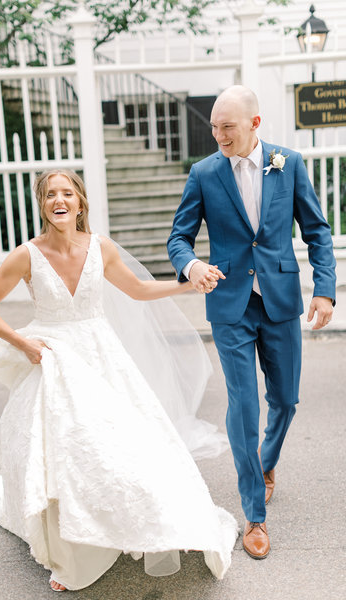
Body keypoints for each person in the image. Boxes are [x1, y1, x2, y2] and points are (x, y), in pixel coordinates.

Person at [0, 169, 238, 592]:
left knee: (124, 448)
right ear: (43, 205)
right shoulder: (26, 255)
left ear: (80, 203)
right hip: (54, 358)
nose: (59, 201)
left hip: (102, 356)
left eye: (67, 193)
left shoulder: (101, 247)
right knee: (66, 452)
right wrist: (22, 342)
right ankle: (71, 553)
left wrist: (186, 286)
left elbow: (137, 290)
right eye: (51, 195)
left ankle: (145, 522)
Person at [167, 85, 336, 560]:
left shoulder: (290, 163)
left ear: (255, 124)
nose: (219, 135)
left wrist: (324, 289)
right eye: (214, 127)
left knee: (284, 400)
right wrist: (191, 265)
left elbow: (317, 231)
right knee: (243, 406)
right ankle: (254, 516)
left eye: (228, 127)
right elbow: (178, 238)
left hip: (280, 300)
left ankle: (267, 461)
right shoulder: (203, 174)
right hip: (230, 306)